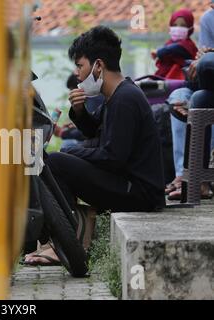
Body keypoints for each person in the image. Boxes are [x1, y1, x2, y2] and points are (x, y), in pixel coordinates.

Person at [24, 26, 165, 266]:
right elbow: (92, 131)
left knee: (57, 160)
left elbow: (113, 157)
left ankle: (68, 239)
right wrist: (79, 111)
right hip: (128, 185)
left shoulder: (125, 99)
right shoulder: (116, 95)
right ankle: (65, 235)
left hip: (140, 193)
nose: (77, 73)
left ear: (98, 66)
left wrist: (69, 152)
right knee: (57, 160)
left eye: (80, 66)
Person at [166, 2, 214, 200]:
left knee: (207, 62)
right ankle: (193, 179)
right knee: (195, 97)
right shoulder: (209, 19)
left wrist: (207, 57)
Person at [151, 8, 198, 79]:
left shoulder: (189, 45)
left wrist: (159, 52)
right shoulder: (169, 43)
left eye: (183, 25)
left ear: (190, 28)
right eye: (175, 25)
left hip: (181, 81)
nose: (178, 28)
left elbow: (177, 48)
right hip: (163, 79)